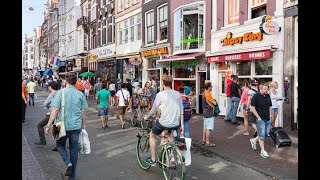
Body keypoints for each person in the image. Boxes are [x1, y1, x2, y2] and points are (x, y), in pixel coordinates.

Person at [45, 73, 88, 179]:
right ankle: (72, 176)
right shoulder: (80, 94)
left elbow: (55, 110)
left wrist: (48, 125)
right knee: (74, 149)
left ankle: (68, 163)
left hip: (60, 124)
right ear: (75, 82)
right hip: (76, 125)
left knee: (59, 145)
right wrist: (83, 125)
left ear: (66, 81)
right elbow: (83, 111)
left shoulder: (60, 93)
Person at [143, 74, 184, 166]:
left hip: (164, 123)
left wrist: (147, 117)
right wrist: (182, 125)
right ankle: (170, 156)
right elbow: (181, 111)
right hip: (176, 123)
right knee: (169, 135)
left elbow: (153, 110)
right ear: (171, 83)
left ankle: (153, 160)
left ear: (163, 83)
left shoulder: (160, 94)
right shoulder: (177, 94)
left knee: (152, 135)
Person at [249, 84, 272, 158]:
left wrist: (270, 115)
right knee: (262, 135)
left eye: (267, 89)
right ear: (260, 89)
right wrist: (258, 117)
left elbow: (270, 106)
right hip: (260, 119)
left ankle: (254, 140)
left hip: (267, 118)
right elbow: (252, 108)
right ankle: (263, 151)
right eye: (265, 89)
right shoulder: (256, 96)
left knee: (266, 133)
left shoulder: (268, 96)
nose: (266, 90)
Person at [34, 81, 59, 151]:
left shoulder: (51, 95)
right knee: (56, 128)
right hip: (58, 113)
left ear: (50, 87)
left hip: (51, 114)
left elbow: (45, 104)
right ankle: (58, 145)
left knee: (39, 125)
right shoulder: (60, 93)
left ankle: (42, 141)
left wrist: (48, 105)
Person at [202, 82, 216, 147]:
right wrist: (214, 101)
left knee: (205, 127)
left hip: (205, 112)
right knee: (209, 128)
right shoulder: (208, 95)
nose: (212, 87)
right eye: (211, 86)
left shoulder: (203, 94)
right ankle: (207, 142)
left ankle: (203, 140)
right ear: (208, 87)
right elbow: (214, 103)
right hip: (209, 113)